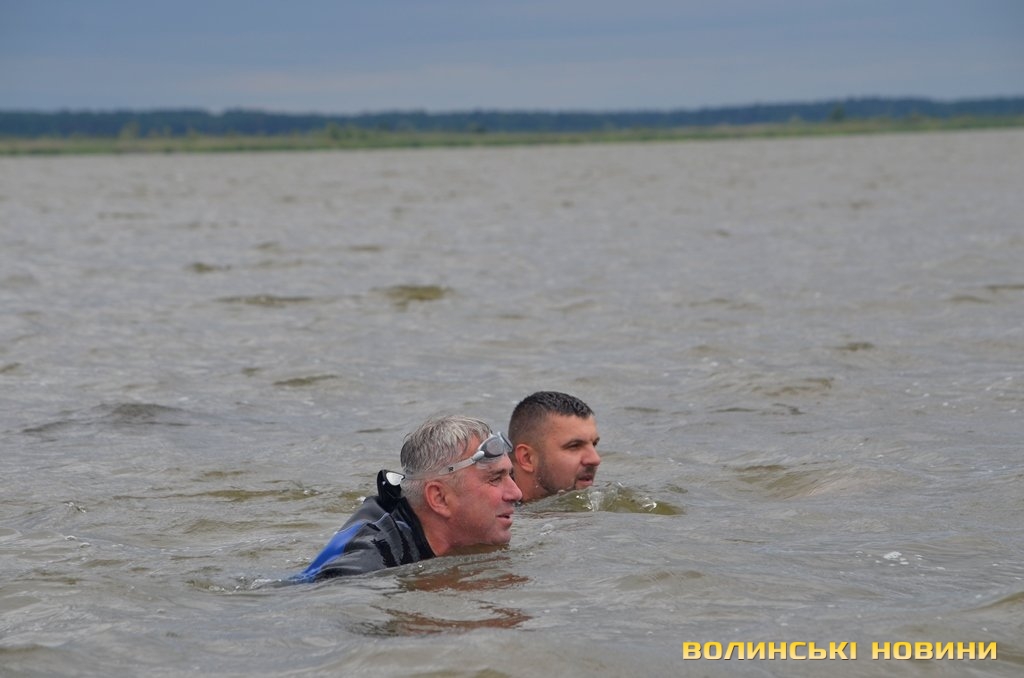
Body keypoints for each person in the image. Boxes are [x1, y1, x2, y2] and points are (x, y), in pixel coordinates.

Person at [294, 415, 522, 581]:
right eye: (495, 478)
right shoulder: (364, 570)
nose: (516, 494)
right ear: (439, 498)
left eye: (510, 476)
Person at [507, 391, 601, 502]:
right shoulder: (494, 511)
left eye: (594, 444)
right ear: (527, 458)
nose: (595, 459)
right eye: (574, 446)